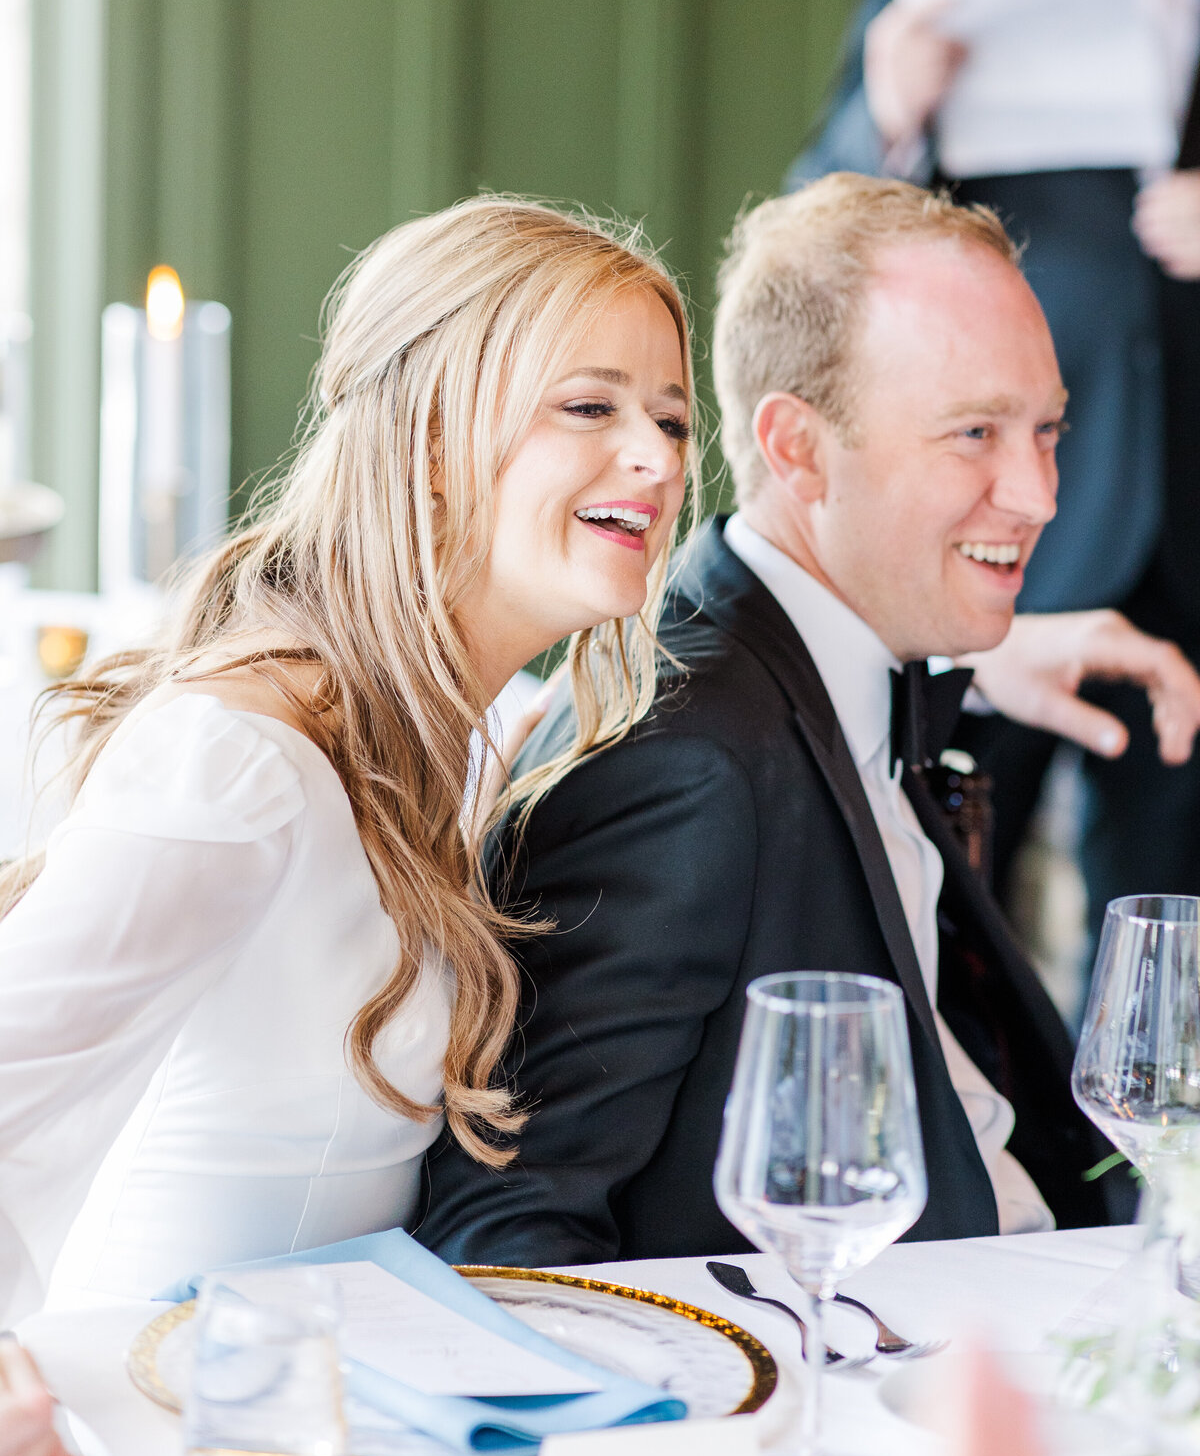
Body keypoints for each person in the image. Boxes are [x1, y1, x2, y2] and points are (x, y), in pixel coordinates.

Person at [417, 174, 1141, 1267]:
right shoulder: (684, 759)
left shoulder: (827, 662)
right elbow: (505, 1233)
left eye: (1045, 431)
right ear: (798, 448)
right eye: (975, 434)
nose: (1039, 494)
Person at [0, 197, 697, 1321]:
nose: (654, 458)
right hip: (171, 1416)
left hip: (354, 1409)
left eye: (670, 420)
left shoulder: (463, 743)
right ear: (426, 444)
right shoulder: (242, 763)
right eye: (588, 406)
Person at [789, 0, 1200, 940]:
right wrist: (894, 107)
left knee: (1170, 926)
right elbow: (824, 210)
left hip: (1195, 511)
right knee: (940, 897)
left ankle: (1144, 1148)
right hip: (1005, 499)